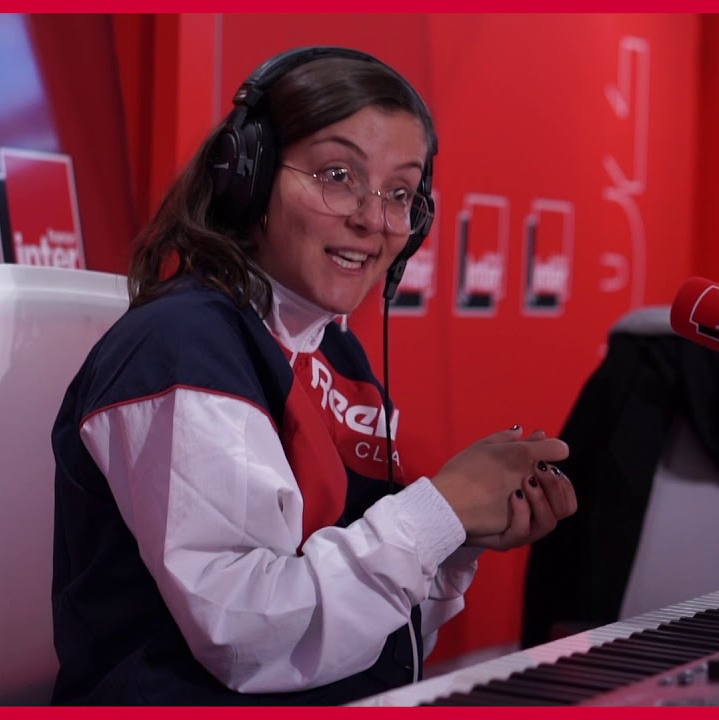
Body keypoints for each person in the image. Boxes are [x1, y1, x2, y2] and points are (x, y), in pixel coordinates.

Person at [49, 46, 576, 706]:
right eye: (338, 175)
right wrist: (436, 512)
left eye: (400, 193)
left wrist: (458, 537)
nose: (373, 218)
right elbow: (246, 638)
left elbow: (359, 636)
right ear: (248, 177)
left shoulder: (335, 352)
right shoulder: (183, 350)